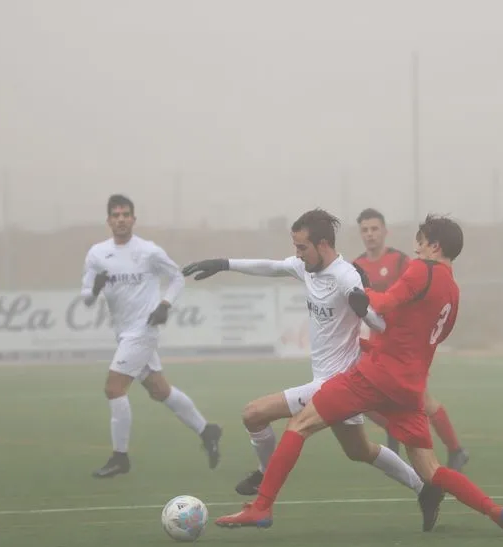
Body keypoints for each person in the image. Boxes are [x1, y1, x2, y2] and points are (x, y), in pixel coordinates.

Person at [214, 214, 503, 537]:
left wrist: (363, 298)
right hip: (410, 389)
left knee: (299, 424)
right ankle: (495, 511)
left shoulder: (421, 269)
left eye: (421, 242)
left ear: (434, 245)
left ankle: (262, 506)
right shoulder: (453, 290)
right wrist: (372, 339)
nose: (417, 248)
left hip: (375, 377)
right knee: (430, 468)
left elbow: (383, 305)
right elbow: (433, 336)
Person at [182, 208, 445, 530]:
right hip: (332, 382)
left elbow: (380, 322)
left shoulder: (346, 275)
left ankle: (264, 485)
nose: (297, 254)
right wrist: (223, 264)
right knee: (359, 450)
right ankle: (424, 489)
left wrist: (367, 311)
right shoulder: (306, 267)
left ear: (322, 244)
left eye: (302, 247)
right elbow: (271, 267)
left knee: (253, 413)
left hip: (340, 383)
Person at [83, 194, 222, 479]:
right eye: (116, 215)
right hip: (123, 334)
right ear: (108, 220)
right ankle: (207, 430)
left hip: (144, 330)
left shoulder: (148, 251)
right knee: (160, 390)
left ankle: (120, 457)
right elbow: (86, 297)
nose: (121, 219)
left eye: (125, 214)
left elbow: (177, 277)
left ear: (134, 219)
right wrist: (95, 289)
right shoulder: (97, 254)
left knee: (114, 389)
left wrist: (164, 305)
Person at [353, 208, 469, 471]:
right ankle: (401, 438)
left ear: (385, 231)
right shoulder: (357, 264)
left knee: (420, 402)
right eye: (365, 230)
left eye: (374, 228)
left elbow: (398, 300)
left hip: (402, 346)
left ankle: (454, 450)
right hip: (380, 339)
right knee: (368, 397)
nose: (370, 234)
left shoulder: (407, 263)